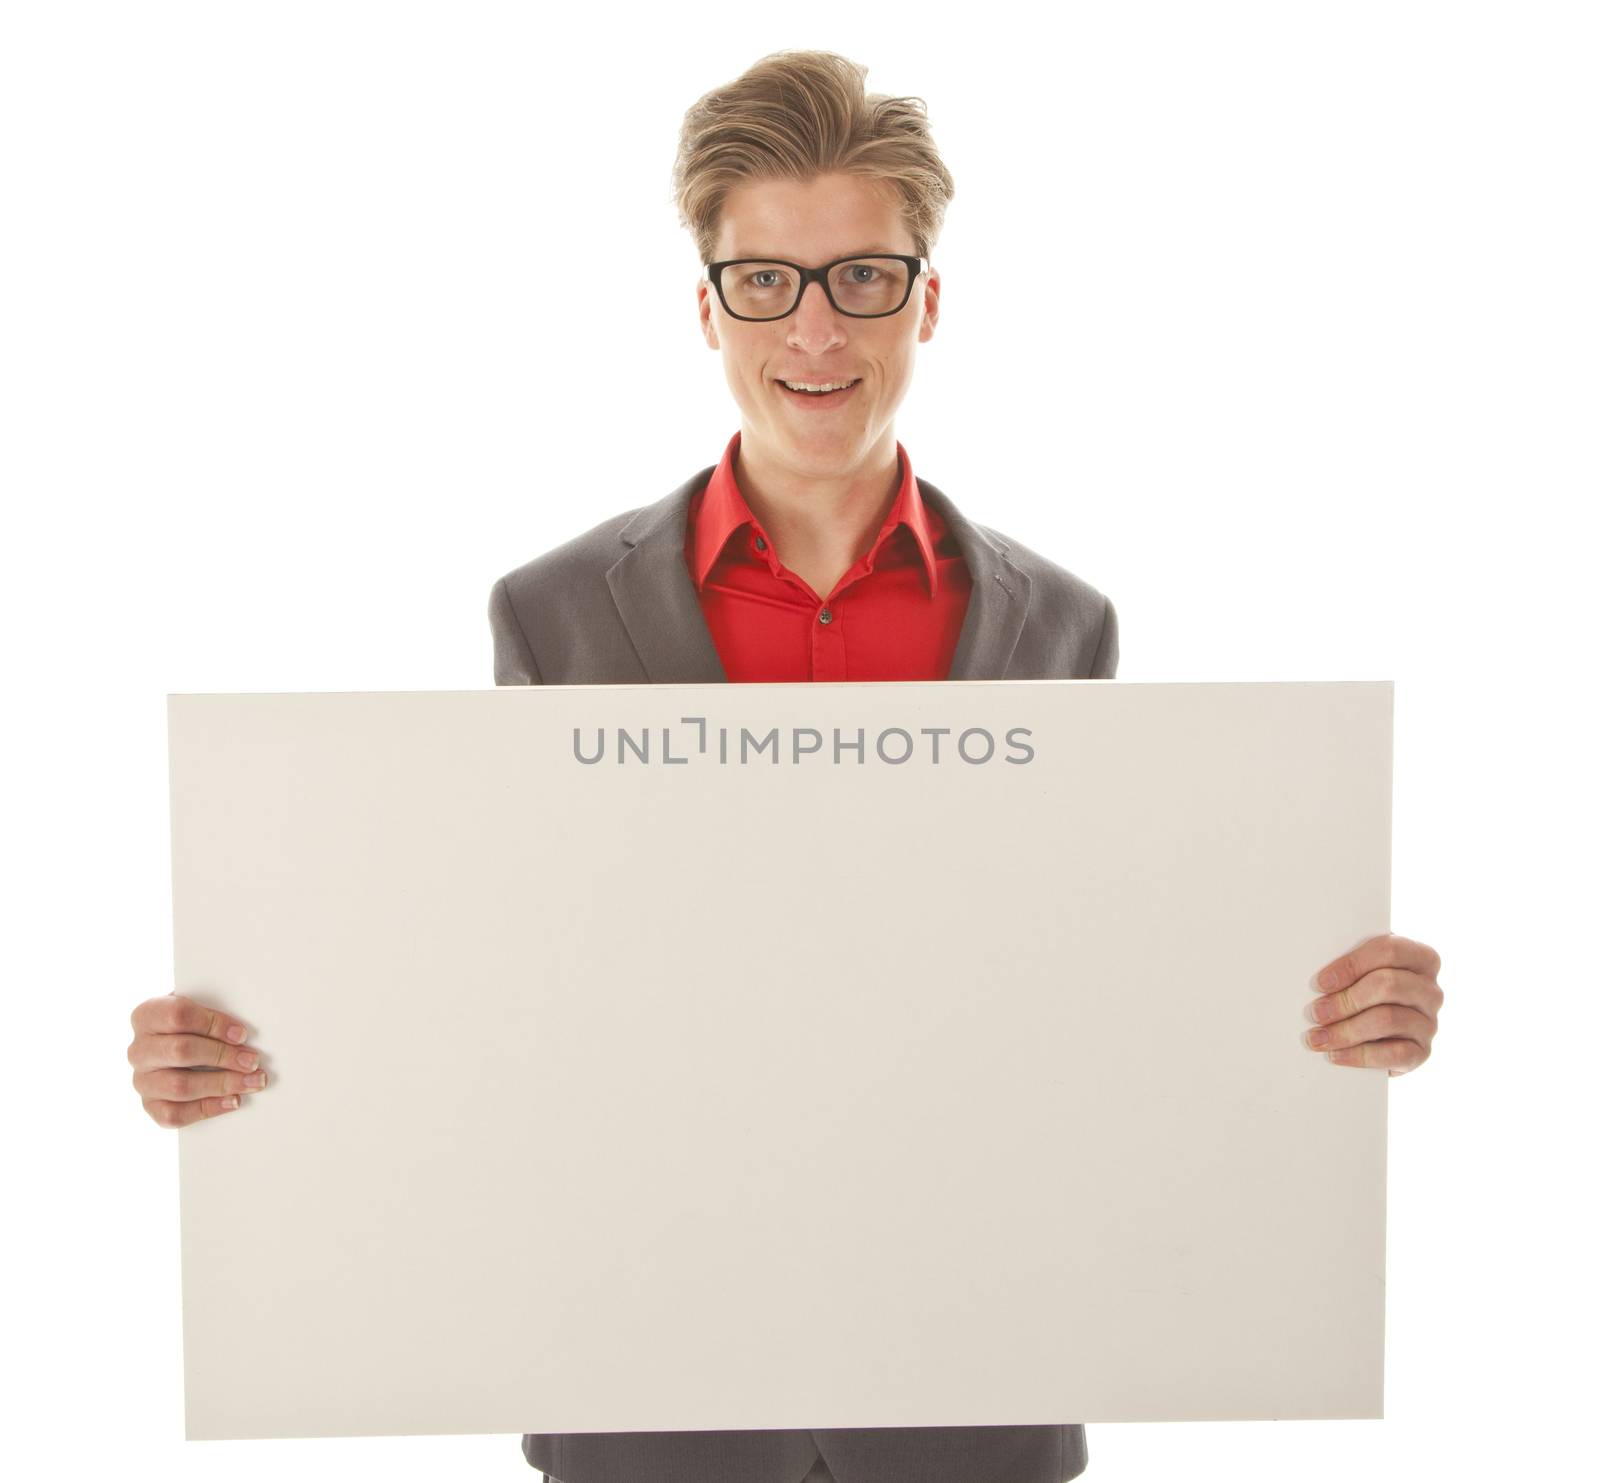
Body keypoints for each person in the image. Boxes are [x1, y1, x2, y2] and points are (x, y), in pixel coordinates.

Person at [126, 48, 1445, 1483]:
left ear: (927, 299)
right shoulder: (553, 613)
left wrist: (1319, 1014)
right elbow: (504, 981)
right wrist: (263, 1057)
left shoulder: (1062, 625)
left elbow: (1095, 989)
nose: (816, 327)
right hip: (646, 1395)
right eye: (768, 281)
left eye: (863, 277)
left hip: (974, 1393)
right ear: (708, 307)